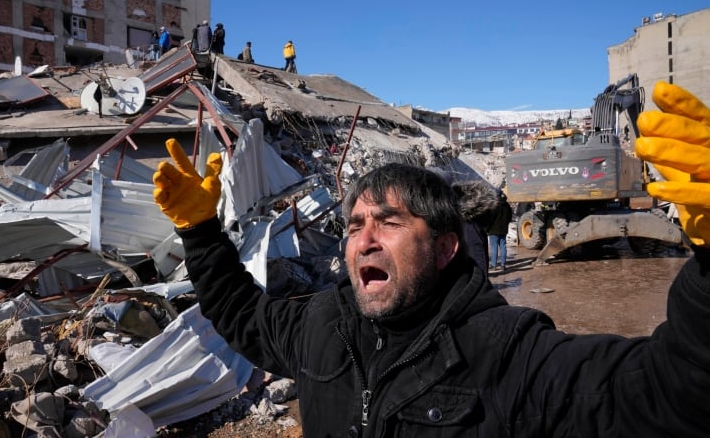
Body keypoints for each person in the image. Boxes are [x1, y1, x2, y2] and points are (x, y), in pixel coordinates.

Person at [153, 81, 710, 436]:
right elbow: (239, 315)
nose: (363, 240)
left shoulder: (507, 352)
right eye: (354, 226)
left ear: (445, 246)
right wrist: (201, 231)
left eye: (389, 222)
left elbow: (665, 394)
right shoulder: (320, 324)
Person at [486, 189, 513, 271]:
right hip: (503, 229)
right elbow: (509, 217)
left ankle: (494, 265)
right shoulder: (507, 205)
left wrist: (487, 228)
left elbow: (489, 219)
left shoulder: (493, 205)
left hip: (493, 230)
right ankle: (503, 265)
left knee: (494, 247)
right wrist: (506, 224)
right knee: (503, 246)